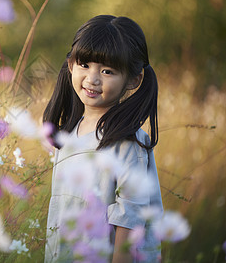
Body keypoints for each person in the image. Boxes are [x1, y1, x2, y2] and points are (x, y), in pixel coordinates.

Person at [43, 15, 163, 262]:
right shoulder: (69, 133)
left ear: (133, 79)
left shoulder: (128, 144)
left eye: (107, 71)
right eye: (85, 65)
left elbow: (130, 225)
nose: (92, 79)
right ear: (70, 65)